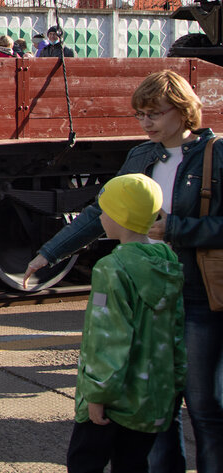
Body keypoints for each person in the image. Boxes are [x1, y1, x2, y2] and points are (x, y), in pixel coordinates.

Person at [24, 70, 223, 473]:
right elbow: (104, 210)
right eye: (140, 115)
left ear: (183, 111)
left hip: (199, 293)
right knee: (154, 405)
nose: (146, 123)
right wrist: (50, 252)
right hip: (149, 296)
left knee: (205, 407)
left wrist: (178, 229)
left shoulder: (216, 156)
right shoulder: (141, 156)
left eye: (154, 113)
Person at [66, 173, 186, 473]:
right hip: (153, 395)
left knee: (83, 462)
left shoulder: (112, 268)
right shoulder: (169, 262)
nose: (101, 216)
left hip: (112, 401)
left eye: (105, 210)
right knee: (133, 465)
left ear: (119, 217)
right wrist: (176, 383)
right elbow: (178, 331)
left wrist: (97, 394)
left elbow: (108, 339)